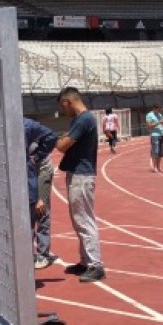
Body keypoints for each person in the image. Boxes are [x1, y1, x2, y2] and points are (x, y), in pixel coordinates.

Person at [55, 87, 105, 282]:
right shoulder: (81, 120)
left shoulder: (84, 119)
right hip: (78, 174)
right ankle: (86, 261)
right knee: (79, 219)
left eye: (63, 106)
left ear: (69, 101)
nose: (63, 111)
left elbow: (61, 145)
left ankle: (95, 264)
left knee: (84, 219)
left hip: (82, 176)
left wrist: (61, 139)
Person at [24, 118, 58, 270]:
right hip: (28, 172)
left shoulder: (27, 125)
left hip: (41, 168)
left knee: (41, 209)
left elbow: (52, 136)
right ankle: (27, 254)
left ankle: (43, 254)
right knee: (29, 212)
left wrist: (36, 156)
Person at [146, 104, 163, 173]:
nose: (159, 110)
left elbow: (162, 124)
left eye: (160, 109)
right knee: (156, 151)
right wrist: (158, 122)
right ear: (154, 108)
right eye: (158, 109)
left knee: (161, 152)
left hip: (161, 134)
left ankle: (158, 167)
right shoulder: (149, 115)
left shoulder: (160, 115)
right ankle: (154, 167)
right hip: (154, 135)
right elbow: (149, 126)